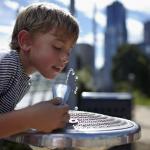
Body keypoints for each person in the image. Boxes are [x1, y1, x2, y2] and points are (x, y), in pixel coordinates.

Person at [0, 2, 79, 138]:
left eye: (69, 51)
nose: (66, 58)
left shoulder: (23, 77)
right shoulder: (8, 64)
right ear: (26, 41)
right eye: (58, 47)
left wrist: (41, 119)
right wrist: (30, 118)